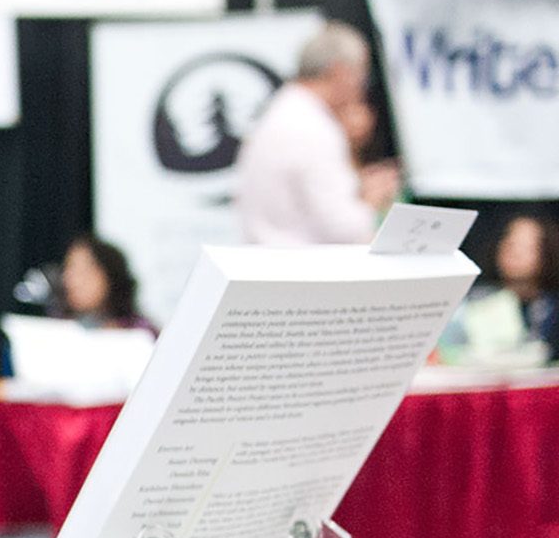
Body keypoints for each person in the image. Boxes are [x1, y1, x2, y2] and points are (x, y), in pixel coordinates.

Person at [234, 22, 402, 246]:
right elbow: (343, 228)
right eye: (362, 75)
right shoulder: (313, 129)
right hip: (303, 271)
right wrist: (370, 201)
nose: (362, 87)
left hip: (273, 266)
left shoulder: (282, 113)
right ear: (341, 72)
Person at [440, 214, 559, 364]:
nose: (515, 252)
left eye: (527, 246)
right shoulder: (474, 304)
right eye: (510, 243)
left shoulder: (551, 311)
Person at [56, 234, 156, 335]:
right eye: (69, 269)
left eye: (84, 271)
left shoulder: (140, 332)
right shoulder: (56, 327)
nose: (72, 281)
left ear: (110, 277)